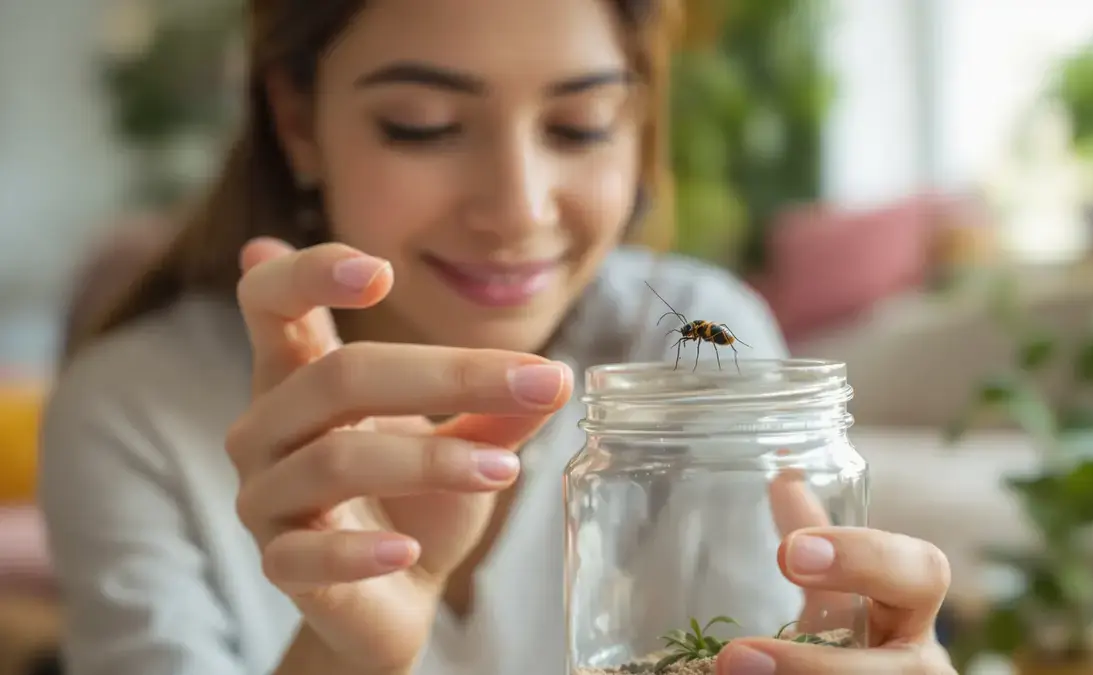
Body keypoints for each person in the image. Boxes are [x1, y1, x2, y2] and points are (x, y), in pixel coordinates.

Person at [37, 1, 956, 674]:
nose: (517, 209)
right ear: (295, 120)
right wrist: (344, 651)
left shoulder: (701, 352)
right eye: (423, 126)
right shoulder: (135, 408)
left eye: (578, 125)